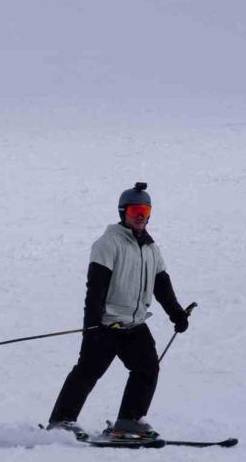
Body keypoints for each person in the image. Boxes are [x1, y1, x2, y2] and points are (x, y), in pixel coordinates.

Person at [47, 183, 189, 439]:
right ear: (123, 212)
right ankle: (61, 421)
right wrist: (92, 325)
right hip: (106, 325)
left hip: (135, 326)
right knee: (88, 371)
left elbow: (161, 284)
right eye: (135, 210)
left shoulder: (151, 249)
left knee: (147, 369)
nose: (140, 216)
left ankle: (129, 420)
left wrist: (176, 314)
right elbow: (96, 287)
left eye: (145, 211)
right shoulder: (108, 243)